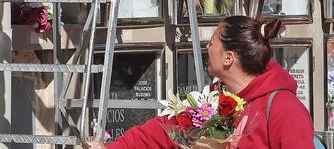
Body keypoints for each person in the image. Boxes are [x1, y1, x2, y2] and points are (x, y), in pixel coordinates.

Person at [92, 17, 314, 149]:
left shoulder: (283, 107)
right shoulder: (214, 99)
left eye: (213, 41)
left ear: (229, 58)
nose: (207, 47)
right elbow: (161, 132)